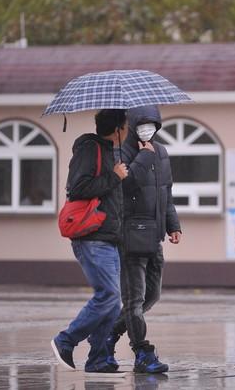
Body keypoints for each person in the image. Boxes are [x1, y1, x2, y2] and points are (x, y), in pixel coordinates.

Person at [50, 109, 129, 377]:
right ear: (118, 128)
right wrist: (114, 176)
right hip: (92, 236)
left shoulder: (109, 152)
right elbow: (78, 188)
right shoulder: (89, 149)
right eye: (127, 125)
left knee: (112, 302)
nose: (129, 129)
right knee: (108, 296)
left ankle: (97, 360)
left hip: (108, 237)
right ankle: (66, 340)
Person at [106, 105, 181, 374]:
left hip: (155, 236)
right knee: (134, 301)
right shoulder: (119, 152)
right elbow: (124, 185)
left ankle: (108, 334)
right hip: (129, 235)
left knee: (153, 295)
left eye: (152, 123)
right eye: (142, 123)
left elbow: (166, 193)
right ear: (132, 123)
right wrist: (143, 158)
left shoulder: (160, 151)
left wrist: (173, 224)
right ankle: (142, 353)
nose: (147, 128)